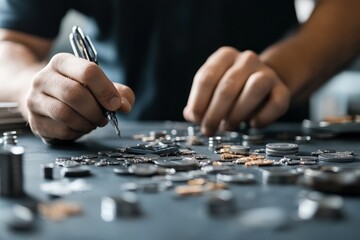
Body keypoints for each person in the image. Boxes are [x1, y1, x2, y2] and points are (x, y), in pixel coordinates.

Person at [0, 0, 360, 142]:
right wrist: (37, 89)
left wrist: (284, 68)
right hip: (106, 134)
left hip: (267, 131)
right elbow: (11, 44)